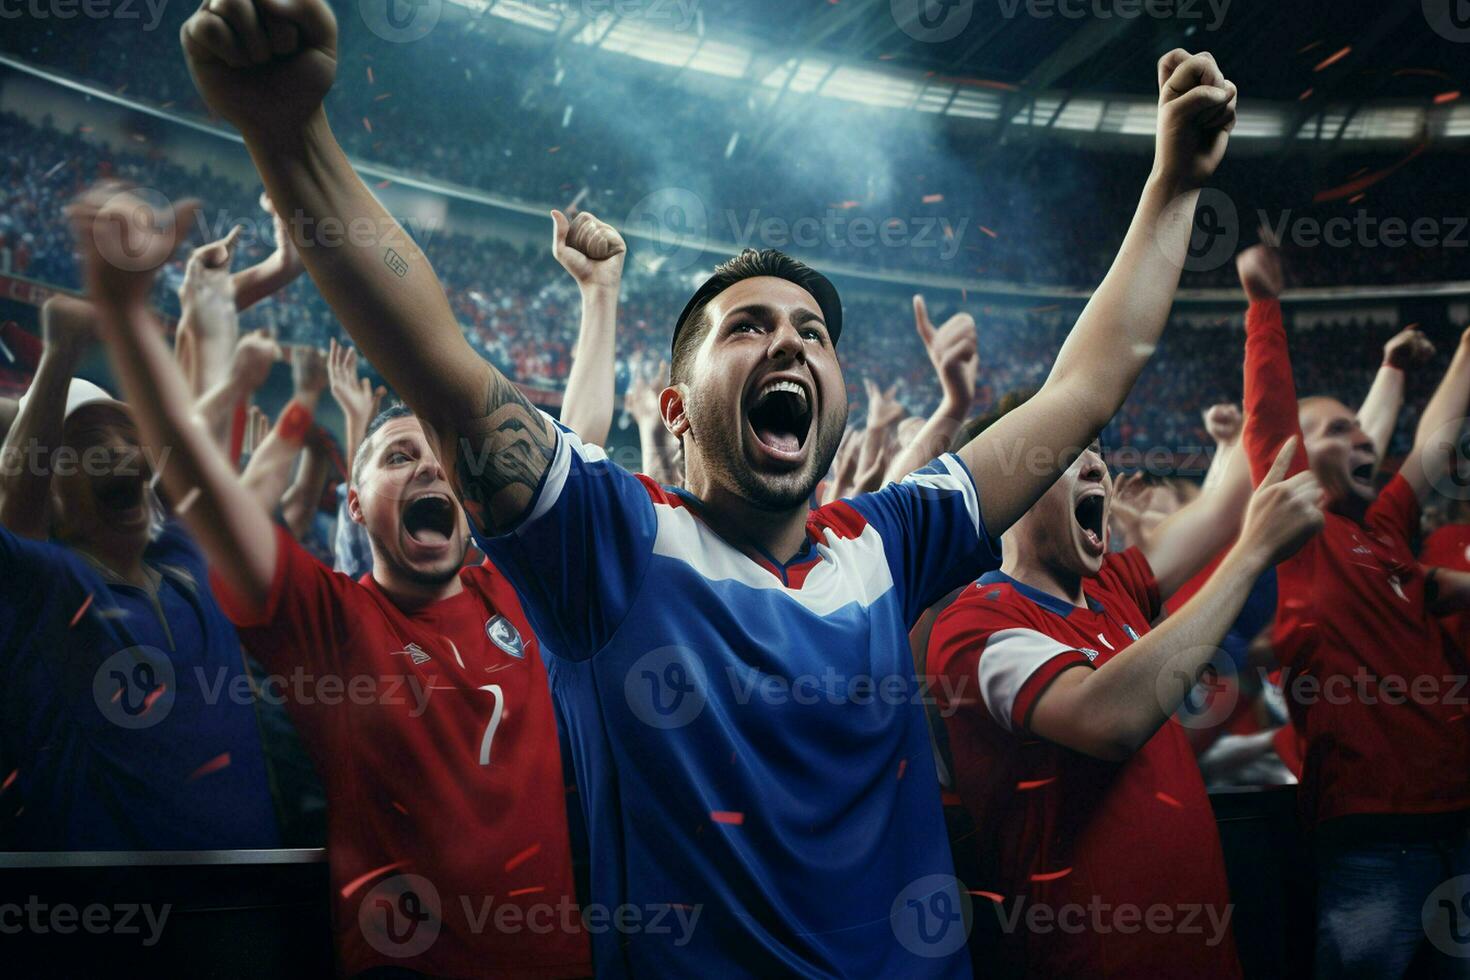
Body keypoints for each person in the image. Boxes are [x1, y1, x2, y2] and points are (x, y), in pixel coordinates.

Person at [177, 1, 1236, 970]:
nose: (790, 341)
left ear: (831, 389)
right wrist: (290, 139)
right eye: (749, 326)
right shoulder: (610, 540)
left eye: (813, 332)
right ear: (676, 408)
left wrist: (1173, 187)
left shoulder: (886, 539)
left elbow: (1087, 386)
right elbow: (434, 361)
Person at [70, 189, 635, 977]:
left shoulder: (514, 596)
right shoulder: (327, 623)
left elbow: (574, 450)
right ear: (356, 505)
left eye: (439, 457)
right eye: (399, 456)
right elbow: (199, 491)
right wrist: (128, 316)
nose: (430, 464)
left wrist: (599, 294)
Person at [928, 425, 1320, 977]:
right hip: (1096, 960)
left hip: (1203, 951)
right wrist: (1252, 552)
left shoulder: (1114, 587)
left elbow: (1218, 506)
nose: (1096, 467)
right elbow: (1107, 720)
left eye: (1098, 454)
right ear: (1008, 487)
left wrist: (1249, 408)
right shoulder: (975, 624)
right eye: (1069, 455)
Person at [1237, 240, 1470, 978]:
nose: (1364, 437)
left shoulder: (1387, 531)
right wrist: (1264, 305)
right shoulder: (1306, 535)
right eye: (1338, 430)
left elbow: (1433, 439)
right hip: (1371, 843)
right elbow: (1272, 420)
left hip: (1461, 831)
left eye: (1364, 430)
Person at [0, 292, 279, 850]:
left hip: (255, 904)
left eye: (127, 437)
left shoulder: (183, 557)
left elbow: (194, 439)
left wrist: (215, 299)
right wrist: (61, 354)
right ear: (50, 493)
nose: (115, 451)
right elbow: (16, 498)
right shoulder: (48, 588)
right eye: (85, 445)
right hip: (122, 920)